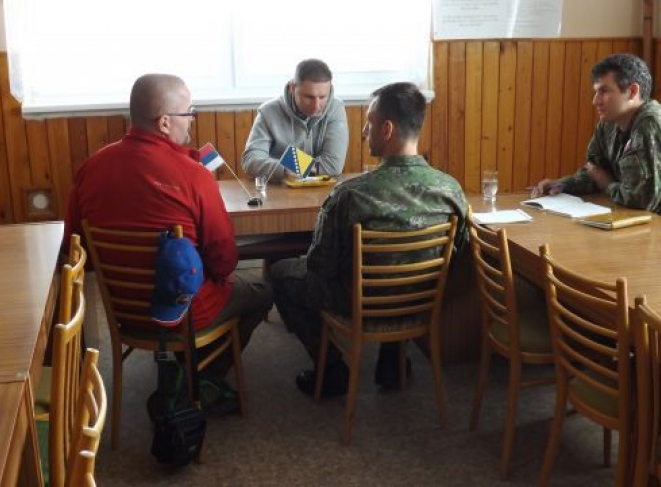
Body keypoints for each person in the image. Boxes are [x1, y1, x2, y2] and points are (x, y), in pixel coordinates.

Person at [64, 74, 273, 404]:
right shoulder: (194, 175)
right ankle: (205, 374)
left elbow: (74, 246)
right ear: (164, 122)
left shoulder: (91, 168)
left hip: (122, 310)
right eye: (189, 113)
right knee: (261, 291)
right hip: (186, 311)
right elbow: (224, 260)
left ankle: (182, 366)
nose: (191, 122)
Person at [269, 82, 468, 397]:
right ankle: (392, 358)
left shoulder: (351, 194)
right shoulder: (451, 190)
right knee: (400, 277)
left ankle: (332, 370)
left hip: (357, 303)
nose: (364, 132)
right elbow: (460, 256)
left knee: (281, 273)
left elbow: (319, 267)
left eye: (369, 123)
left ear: (387, 129)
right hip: (420, 302)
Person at [532, 53, 661, 235]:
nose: (595, 101)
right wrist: (563, 185)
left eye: (604, 91)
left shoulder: (651, 125)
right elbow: (593, 170)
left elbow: (641, 200)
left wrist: (607, 183)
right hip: (646, 231)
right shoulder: (609, 122)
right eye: (596, 92)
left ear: (632, 91)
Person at [242, 59, 349, 181]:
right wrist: (283, 170)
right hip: (279, 190)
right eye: (309, 97)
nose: (316, 106)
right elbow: (251, 160)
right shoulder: (268, 111)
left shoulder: (336, 107)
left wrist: (289, 163)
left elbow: (333, 166)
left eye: (322, 97)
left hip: (323, 190)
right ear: (292, 88)